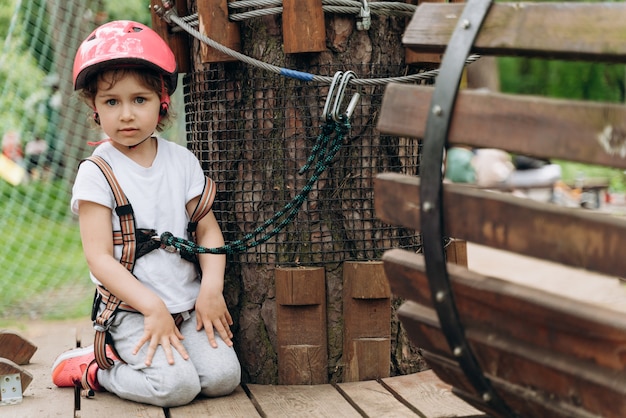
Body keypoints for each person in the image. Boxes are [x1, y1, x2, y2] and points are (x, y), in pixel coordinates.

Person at [50, 20, 241, 407]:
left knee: (223, 377)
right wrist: (151, 307)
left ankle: (161, 353)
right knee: (175, 388)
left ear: (162, 100)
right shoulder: (97, 172)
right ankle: (96, 368)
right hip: (132, 311)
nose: (126, 115)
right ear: (94, 107)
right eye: (111, 102)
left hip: (187, 306)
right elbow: (99, 257)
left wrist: (210, 289)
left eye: (140, 100)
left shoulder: (181, 160)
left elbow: (208, 232)